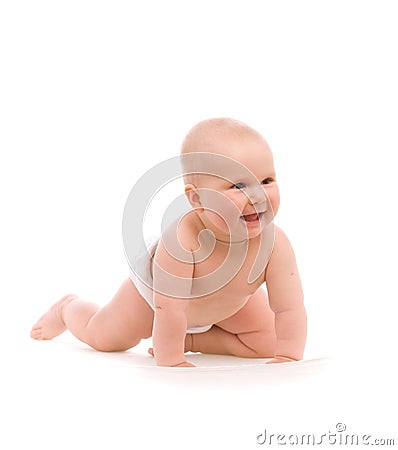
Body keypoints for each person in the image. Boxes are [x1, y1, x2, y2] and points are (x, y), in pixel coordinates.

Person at [31, 118, 307, 367]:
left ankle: (194, 341)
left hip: (228, 305)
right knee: (105, 337)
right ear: (197, 199)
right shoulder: (182, 242)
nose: (258, 195)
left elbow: (289, 307)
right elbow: (169, 309)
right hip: (155, 298)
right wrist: (171, 359)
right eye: (238, 186)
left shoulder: (274, 244)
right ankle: (67, 309)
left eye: (266, 180)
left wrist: (289, 355)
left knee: (266, 342)